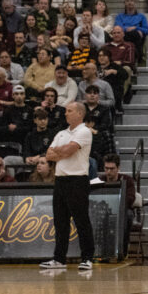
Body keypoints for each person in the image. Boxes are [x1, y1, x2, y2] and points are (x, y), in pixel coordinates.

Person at [39, 101, 95, 272]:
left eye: (69, 111)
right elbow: (49, 154)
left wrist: (59, 152)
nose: (65, 114)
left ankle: (87, 258)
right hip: (60, 180)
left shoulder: (84, 131)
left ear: (79, 113)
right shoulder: (61, 133)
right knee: (60, 222)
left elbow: (67, 151)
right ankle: (59, 258)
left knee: (81, 221)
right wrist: (59, 152)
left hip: (77, 180)